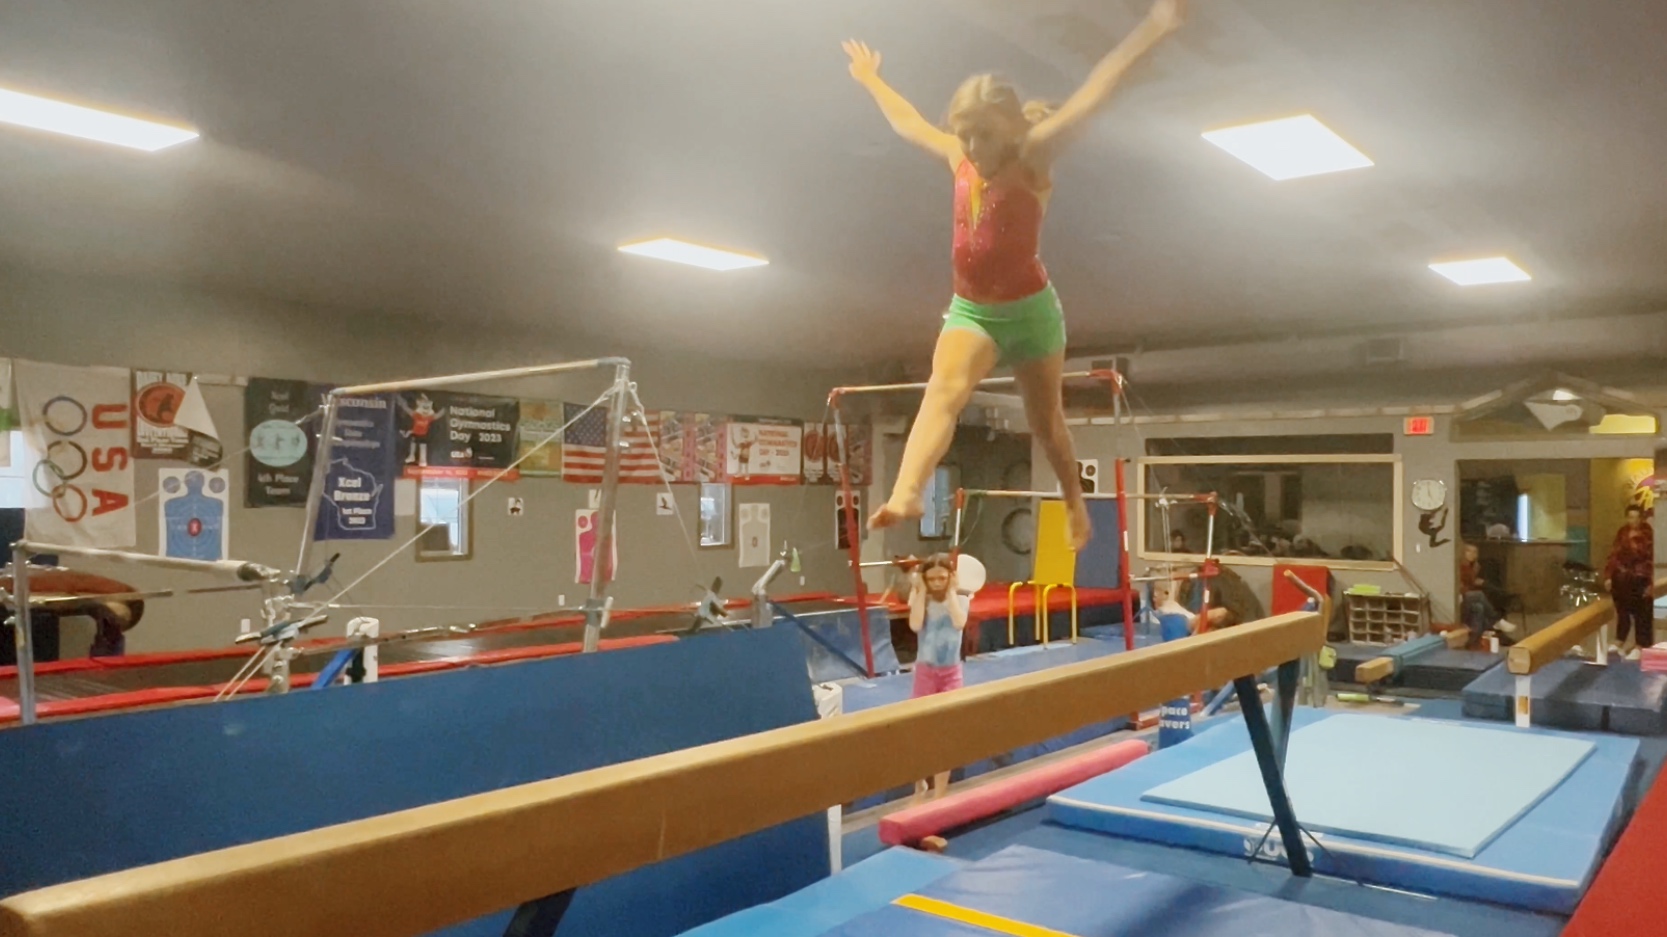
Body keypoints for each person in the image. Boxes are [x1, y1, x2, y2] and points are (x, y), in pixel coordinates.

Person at [843, 0, 1186, 554]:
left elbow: (1098, 90)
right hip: (972, 310)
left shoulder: (1034, 157)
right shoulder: (958, 157)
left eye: (983, 136)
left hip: (1031, 312)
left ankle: (1074, 504)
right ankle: (907, 493)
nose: (973, 148)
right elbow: (908, 123)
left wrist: (1157, 27)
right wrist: (872, 80)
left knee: (1046, 423)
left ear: (1008, 128)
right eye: (964, 135)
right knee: (942, 392)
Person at [908, 553, 968, 800]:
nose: (936, 583)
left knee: (945, 733)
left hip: (950, 673)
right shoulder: (920, 599)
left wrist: (952, 591)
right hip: (926, 671)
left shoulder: (961, 599)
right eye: (931, 579)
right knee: (919, 729)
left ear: (950, 577)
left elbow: (959, 622)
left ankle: (940, 791)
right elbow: (915, 625)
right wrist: (920, 591)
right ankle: (919, 785)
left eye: (942, 578)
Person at [1604, 505, 1656, 653]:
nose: (1634, 521)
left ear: (1641, 518)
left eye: (1637, 517)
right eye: (1631, 517)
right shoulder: (1622, 533)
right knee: (1622, 611)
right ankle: (1620, 639)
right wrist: (1608, 576)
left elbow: (1651, 559)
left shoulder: (1648, 535)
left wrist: (1651, 581)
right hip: (1621, 578)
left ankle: (1641, 644)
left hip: (1640, 577)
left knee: (1642, 613)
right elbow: (1614, 555)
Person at [1458, 542, 1517, 645]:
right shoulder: (1461, 566)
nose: (1473, 554)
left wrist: (1476, 577)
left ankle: (1474, 641)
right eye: (1469, 551)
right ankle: (1496, 620)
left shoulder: (1473, 566)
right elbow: (1462, 585)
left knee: (1479, 607)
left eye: (1475, 552)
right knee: (1480, 595)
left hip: (1468, 596)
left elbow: (1471, 582)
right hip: (1461, 597)